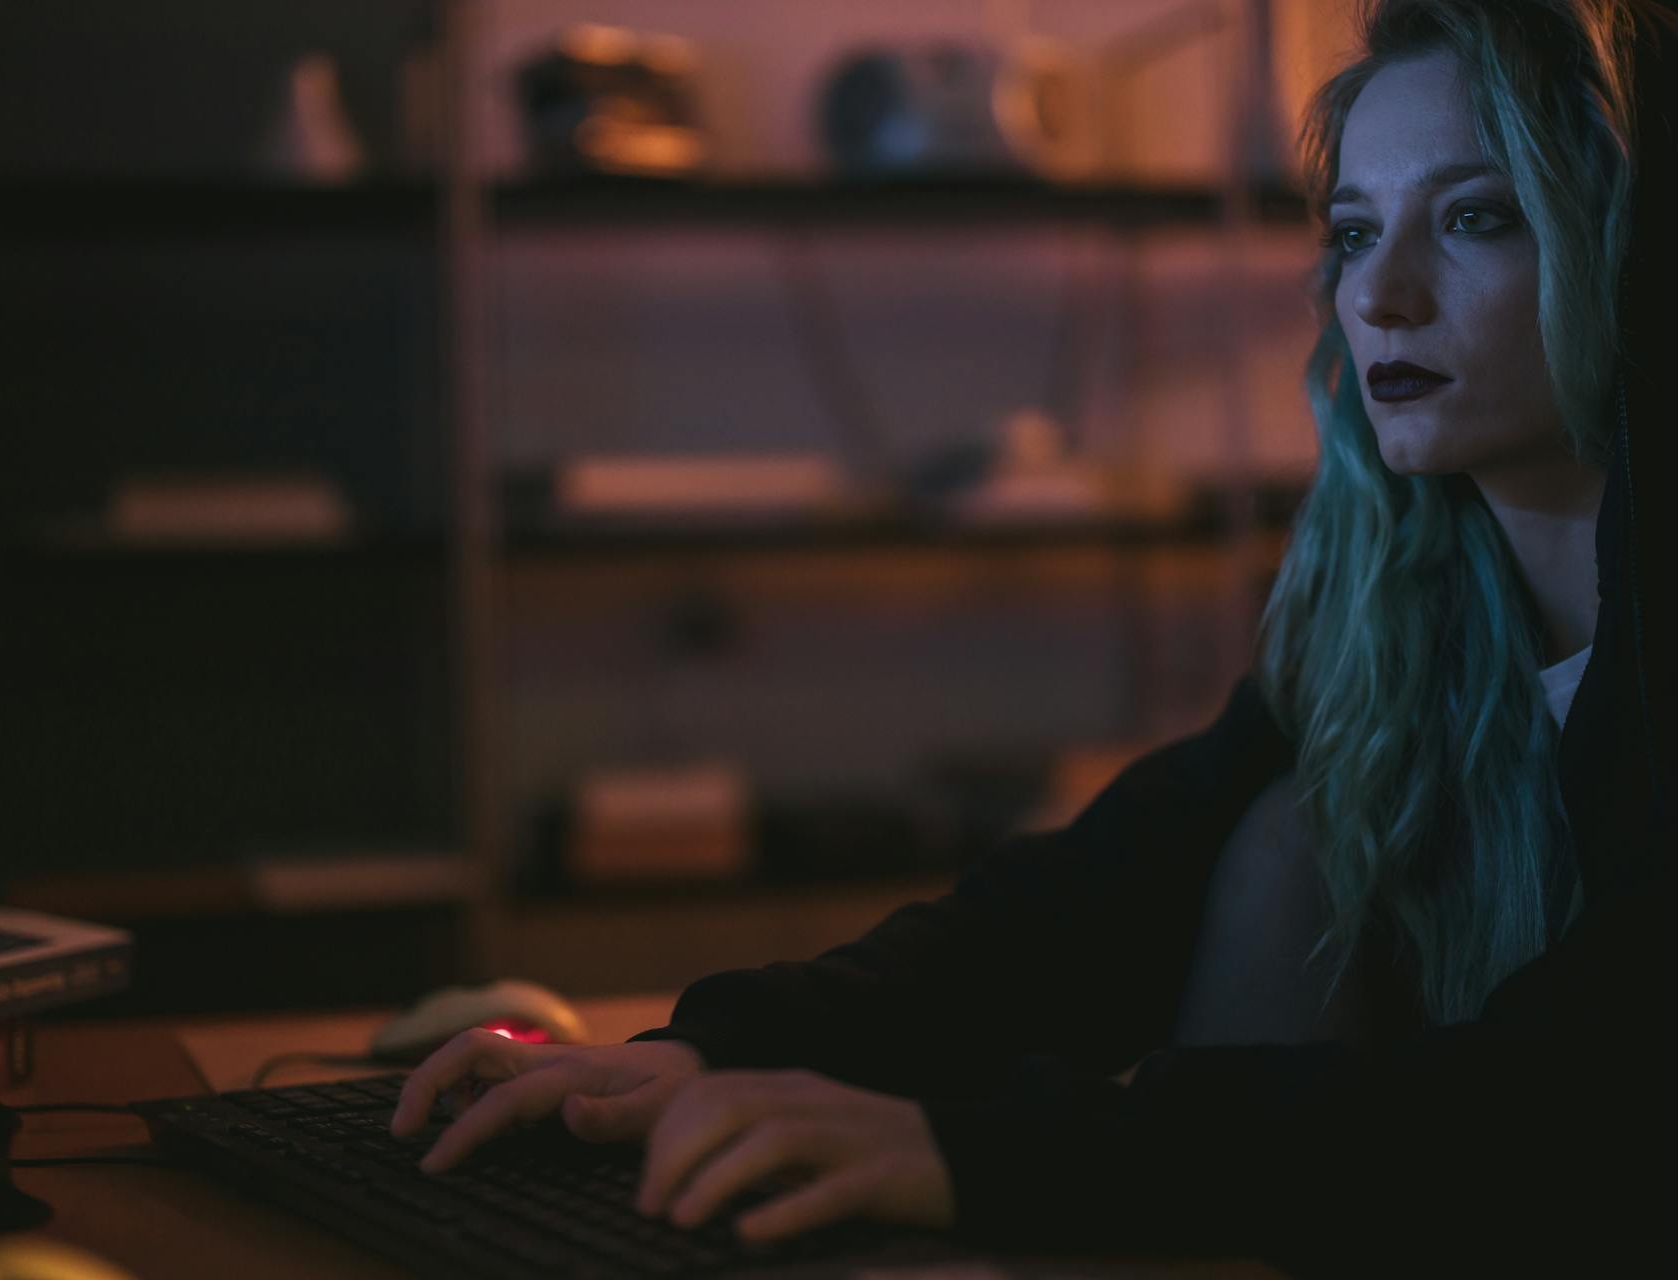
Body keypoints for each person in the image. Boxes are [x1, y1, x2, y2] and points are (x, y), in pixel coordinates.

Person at [393, 2, 1677, 1273]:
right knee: (1282, 821)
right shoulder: (1406, 585)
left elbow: (1588, 1091)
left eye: (1475, 216)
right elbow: (1119, 877)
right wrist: (718, 1048)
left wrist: (982, 1156)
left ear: (1628, 241)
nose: (1382, 295)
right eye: (1353, 232)